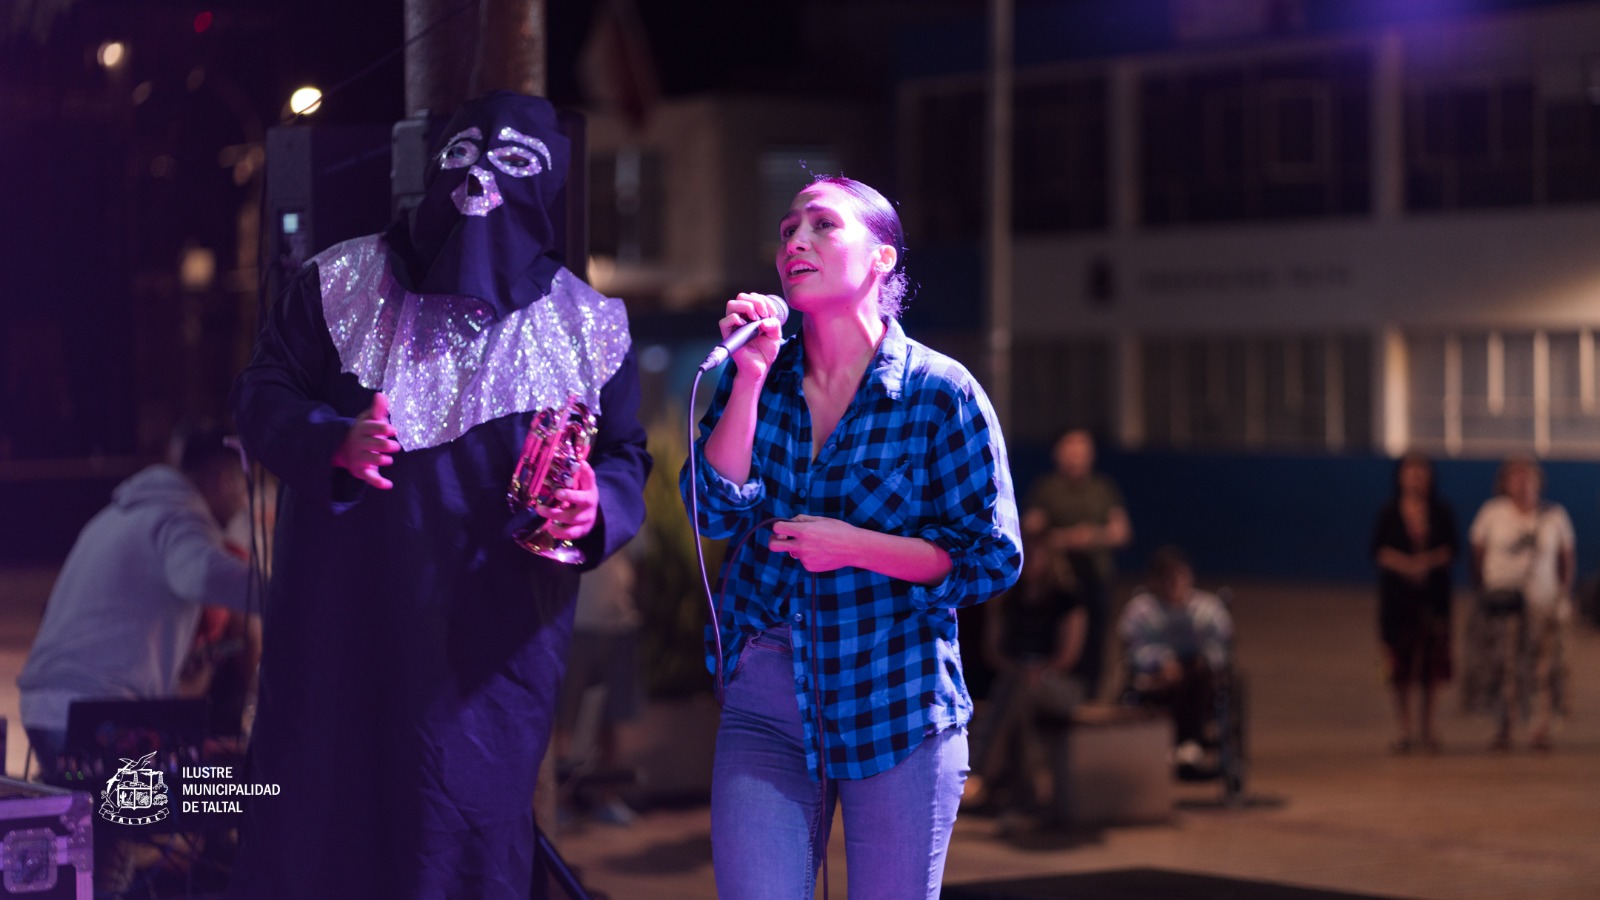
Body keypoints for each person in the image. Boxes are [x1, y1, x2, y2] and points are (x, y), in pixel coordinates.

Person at [228, 92, 650, 900]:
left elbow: (627, 456)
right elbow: (260, 393)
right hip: (338, 632)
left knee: (456, 845)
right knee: (319, 832)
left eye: (512, 163)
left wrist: (599, 508)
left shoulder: (588, 327)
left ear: (546, 187)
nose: (480, 182)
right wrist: (330, 438)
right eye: (461, 157)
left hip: (484, 658)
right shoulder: (337, 284)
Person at [680, 175, 1022, 899]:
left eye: (822, 225)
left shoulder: (939, 391)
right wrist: (746, 377)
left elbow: (991, 556)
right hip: (768, 699)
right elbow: (710, 511)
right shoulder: (763, 378)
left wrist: (854, 545)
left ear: (881, 259)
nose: (795, 241)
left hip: (895, 696)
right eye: (786, 230)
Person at [18, 427, 251, 775]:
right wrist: (292, 594)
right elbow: (202, 575)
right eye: (242, 486)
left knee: (104, 821)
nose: (244, 501)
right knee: (227, 793)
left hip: (42, 708)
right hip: (95, 712)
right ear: (223, 480)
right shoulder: (178, 517)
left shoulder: (114, 516)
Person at [965, 532, 1086, 824]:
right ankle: (1026, 800)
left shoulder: (1067, 599)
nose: (1029, 559)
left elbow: (1068, 656)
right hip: (1016, 682)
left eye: (1035, 552)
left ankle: (983, 771)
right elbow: (992, 650)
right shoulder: (1008, 598)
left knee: (1017, 691)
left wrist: (1040, 671)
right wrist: (1019, 670)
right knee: (1021, 707)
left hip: (1060, 684)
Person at [1465, 456, 1574, 753]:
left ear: (1538, 482)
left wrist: (1562, 594)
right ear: (1504, 483)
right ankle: (1504, 727)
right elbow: (1477, 554)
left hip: (1542, 604)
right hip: (1503, 603)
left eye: (1527, 478)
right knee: (1504, 665)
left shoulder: (1555, 515)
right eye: (1515, 477)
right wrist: (1484, 591)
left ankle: (1540, 728)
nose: (1522, 484)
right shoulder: (1492, 513)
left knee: (1543, 667)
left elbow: (1566, 558)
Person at [1022, 429, 1131, 699]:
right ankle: (1051, 693)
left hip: (1095, 578)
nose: (1075, 458)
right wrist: (1058, 537)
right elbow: (1029, 525)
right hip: (1057, 581)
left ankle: (1090, 698)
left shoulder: (1102, 489)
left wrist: (1091, 536)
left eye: (1081, 451)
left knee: (1095, 642)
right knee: (1056, 640)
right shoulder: (1047, 489)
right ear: (1058, 454)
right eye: (1070, 450)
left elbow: (1122, 532)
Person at [1370, 452, 1458, 755]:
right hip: (1397, 601)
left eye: (1422, 472)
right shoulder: (1389, 512)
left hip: (1432, 599)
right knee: (1399, 666)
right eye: (1411, 471)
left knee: (1431, 667)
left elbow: (1451, 548)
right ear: (1400, 476)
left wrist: (1425, 562)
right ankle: (1403, 727)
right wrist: (1405, 565)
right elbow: (1378, 550)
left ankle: (1428, 727)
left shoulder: (1441, 511)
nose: (1416, 477)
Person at [554, 544, 644, 827]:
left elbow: (639, 559)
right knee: (563, 714)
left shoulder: (631, 502)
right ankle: (559, 799)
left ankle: (608, 797)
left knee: (614, 712)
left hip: (620, 620)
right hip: (575, 619)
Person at [1118, 546, 1232, 767]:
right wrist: (1162, 661)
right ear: (1155, 581)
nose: (1175, 584)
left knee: (1199, 678)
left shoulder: (1208, 610)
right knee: (1159, 681)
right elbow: (1133, 650)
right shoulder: (1141, 611)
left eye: (1179, 577)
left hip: (1198, 679)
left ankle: (1190, 741)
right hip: (1157, 680)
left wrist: (1203, 660)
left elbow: (1222, 647)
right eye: (1167, 578)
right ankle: (1167, 741)